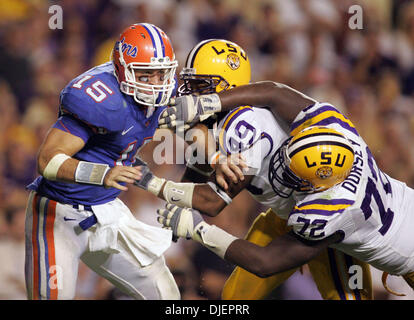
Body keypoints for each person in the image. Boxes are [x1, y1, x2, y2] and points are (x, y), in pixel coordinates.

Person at [135, 39, 373, 300]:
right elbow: (200, 168)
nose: (189, 94)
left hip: (322, 214)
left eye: (198, 86)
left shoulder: (245, 124)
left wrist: (150, 182)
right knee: (235, 297)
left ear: (226, 87)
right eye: (188, 85)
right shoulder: (217, 123)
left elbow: (212, 202)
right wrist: (179, 207)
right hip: (282, 215)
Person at [157, 101, 414, 295]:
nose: (283, 171)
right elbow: (275, 92)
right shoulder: (338, 134)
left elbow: (264, 262)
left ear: (320, 187)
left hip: (335, 234)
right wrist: (210, 102)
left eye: (295, 176)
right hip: (305, 219)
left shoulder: (331, 211)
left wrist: (197, 228)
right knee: (234, 297)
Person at [24, 23, 181, 300]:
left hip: (107, 212)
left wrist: (217, 156)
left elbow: (196, 122)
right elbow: (47, 161)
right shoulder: (99, 99)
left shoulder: (165, 90)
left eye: (162, 73)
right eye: (146, 75)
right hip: (59, 214)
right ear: (123, 70)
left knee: (165, 295)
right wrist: (102, 174)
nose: (157, 83)